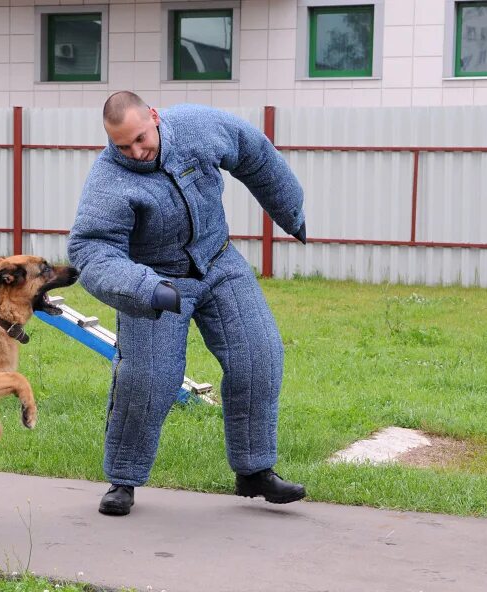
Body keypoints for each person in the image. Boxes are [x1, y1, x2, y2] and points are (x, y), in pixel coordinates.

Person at [67, 91, 308, 516]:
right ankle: (122, 480)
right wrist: (144, 289)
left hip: (219, 261)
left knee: (258, 355)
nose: (136, 152)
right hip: (156, 280)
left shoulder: (198, 126)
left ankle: (255, 472)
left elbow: (254, 153)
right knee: (149, 379)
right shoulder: (109, 180)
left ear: (154, 117)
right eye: (122, 146)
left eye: (141, 138)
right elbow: (92, 251)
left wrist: (289, 210)